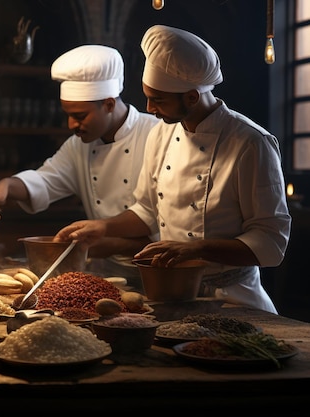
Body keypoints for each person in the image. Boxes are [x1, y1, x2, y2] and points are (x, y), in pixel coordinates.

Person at [55, 25, 291, 314]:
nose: (150, 108)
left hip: (234, 298)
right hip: (172, 293)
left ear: (192, 97)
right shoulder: (161, 134)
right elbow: (146, 211)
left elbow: (271, 242)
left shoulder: (251, 143)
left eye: (159, 100)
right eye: (147, 97)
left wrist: (198, 248)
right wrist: (102, 227)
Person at [0, 45, 159, 286]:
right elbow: (46, 180)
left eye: (81, 116)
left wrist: (110, 240)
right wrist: (8, 186)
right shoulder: (79, 145)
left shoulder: (157, 134)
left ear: (108, 104)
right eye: (68, 114)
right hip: (111, 275)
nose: (71, 124)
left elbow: (159, 218)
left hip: (159, 271)